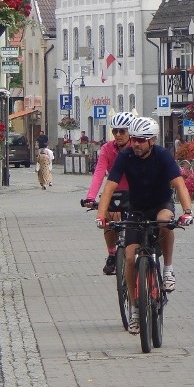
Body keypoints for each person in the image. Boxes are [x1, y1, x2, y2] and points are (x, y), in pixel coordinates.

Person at [96, 116, 193, 335]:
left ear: (152, 140)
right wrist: (102, 216)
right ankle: (135, 310)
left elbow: (179, 185)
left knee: (165, 221)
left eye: (142, 140)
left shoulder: (162, 156)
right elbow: (110, 187)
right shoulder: (125, 156)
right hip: (137, 209)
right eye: (134, 139)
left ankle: (167, 270)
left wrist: (187, 212)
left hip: (160, 204)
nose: (136, 144)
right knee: (130, 257)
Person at [82, 111, 134, 275]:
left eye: (122, 131)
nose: (118, 135)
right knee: (108, 219)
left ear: (130, 132)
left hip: (135, 191)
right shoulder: (107, 148)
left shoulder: (137, 147)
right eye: (115, 131)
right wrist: (90, 197)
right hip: (115, 190)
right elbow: (99, 173)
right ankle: (112, 253)